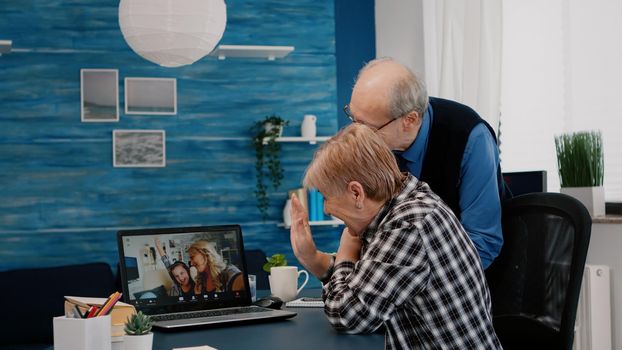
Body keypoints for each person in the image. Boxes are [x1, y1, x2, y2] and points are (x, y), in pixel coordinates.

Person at [289, 124, 501, 349]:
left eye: (326, 197)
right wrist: (313, 258)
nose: (326, 209)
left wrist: (345, 254)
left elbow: (348, 315)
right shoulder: (404, 204)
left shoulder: (408, 225)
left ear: (356, 193)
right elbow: (367, 280)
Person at [344, 57, 506, 269]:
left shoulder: (470, 138)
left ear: (409, 120)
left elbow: (482, 241)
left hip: (461, 286)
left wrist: (409, 279)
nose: (357, 134)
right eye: (353, 118)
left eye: (367, 127)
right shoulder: (375, 140)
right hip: (396, 281)